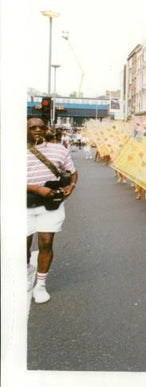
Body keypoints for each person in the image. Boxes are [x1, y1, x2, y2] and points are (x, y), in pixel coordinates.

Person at [26, 117, 78, 304]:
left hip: (50, 205)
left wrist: (70, 187)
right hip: (23, 206)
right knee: (22, 247)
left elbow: (72, 172)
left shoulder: (59, 149)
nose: (37, 130)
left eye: (41, 127)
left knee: (46, 243)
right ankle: (26, 270)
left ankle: (40, 285)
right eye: (33, 128)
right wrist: (35, 188)